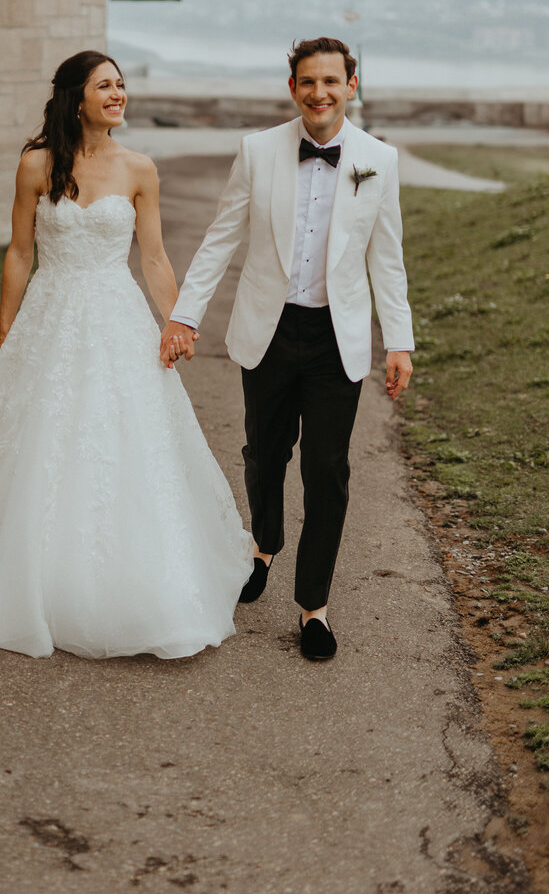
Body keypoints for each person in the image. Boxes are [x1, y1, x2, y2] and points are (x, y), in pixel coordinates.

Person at [0, 51, 253, 659]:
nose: (118, 94)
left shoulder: (140, 168)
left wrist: (178, 321)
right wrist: (5, 327)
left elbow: (152, 257)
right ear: (76, 98)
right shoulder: (38, 163)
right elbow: (19, 251)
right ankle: (21, 562)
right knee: (34, 433)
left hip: (117, 316)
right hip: (50, 314)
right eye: (105, 86)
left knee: (124, 435)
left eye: (121, 85)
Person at [160, 37, 414, 661]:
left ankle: (313, 608)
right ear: (293, 87)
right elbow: (221, 238)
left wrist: (400, 342)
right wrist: (185, 316)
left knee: (327, 470)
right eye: (307, 81)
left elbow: (388, 260)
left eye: (332, 81)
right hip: (268, 332)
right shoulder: (257, 151)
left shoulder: (379, 160)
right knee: (264, 453)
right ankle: (263, 544)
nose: (319, 93)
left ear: (352, 84)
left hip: (337, 339)